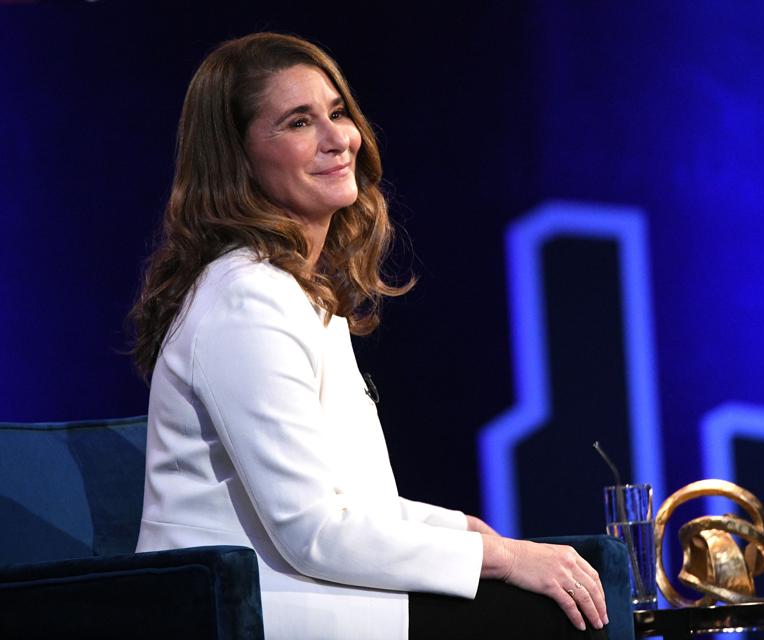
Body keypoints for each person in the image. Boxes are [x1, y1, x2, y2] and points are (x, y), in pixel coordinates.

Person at [129, 32, 608, 640]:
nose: (339, 139)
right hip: (249, 611)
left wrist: (467, 532)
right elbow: (314, 530)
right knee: (547, 617)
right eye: (299, 122)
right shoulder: (247, 299)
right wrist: (506, 559)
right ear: (239, 158)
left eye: (337, 113)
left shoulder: (293, 288)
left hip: (309, 594)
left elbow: (351, 503)